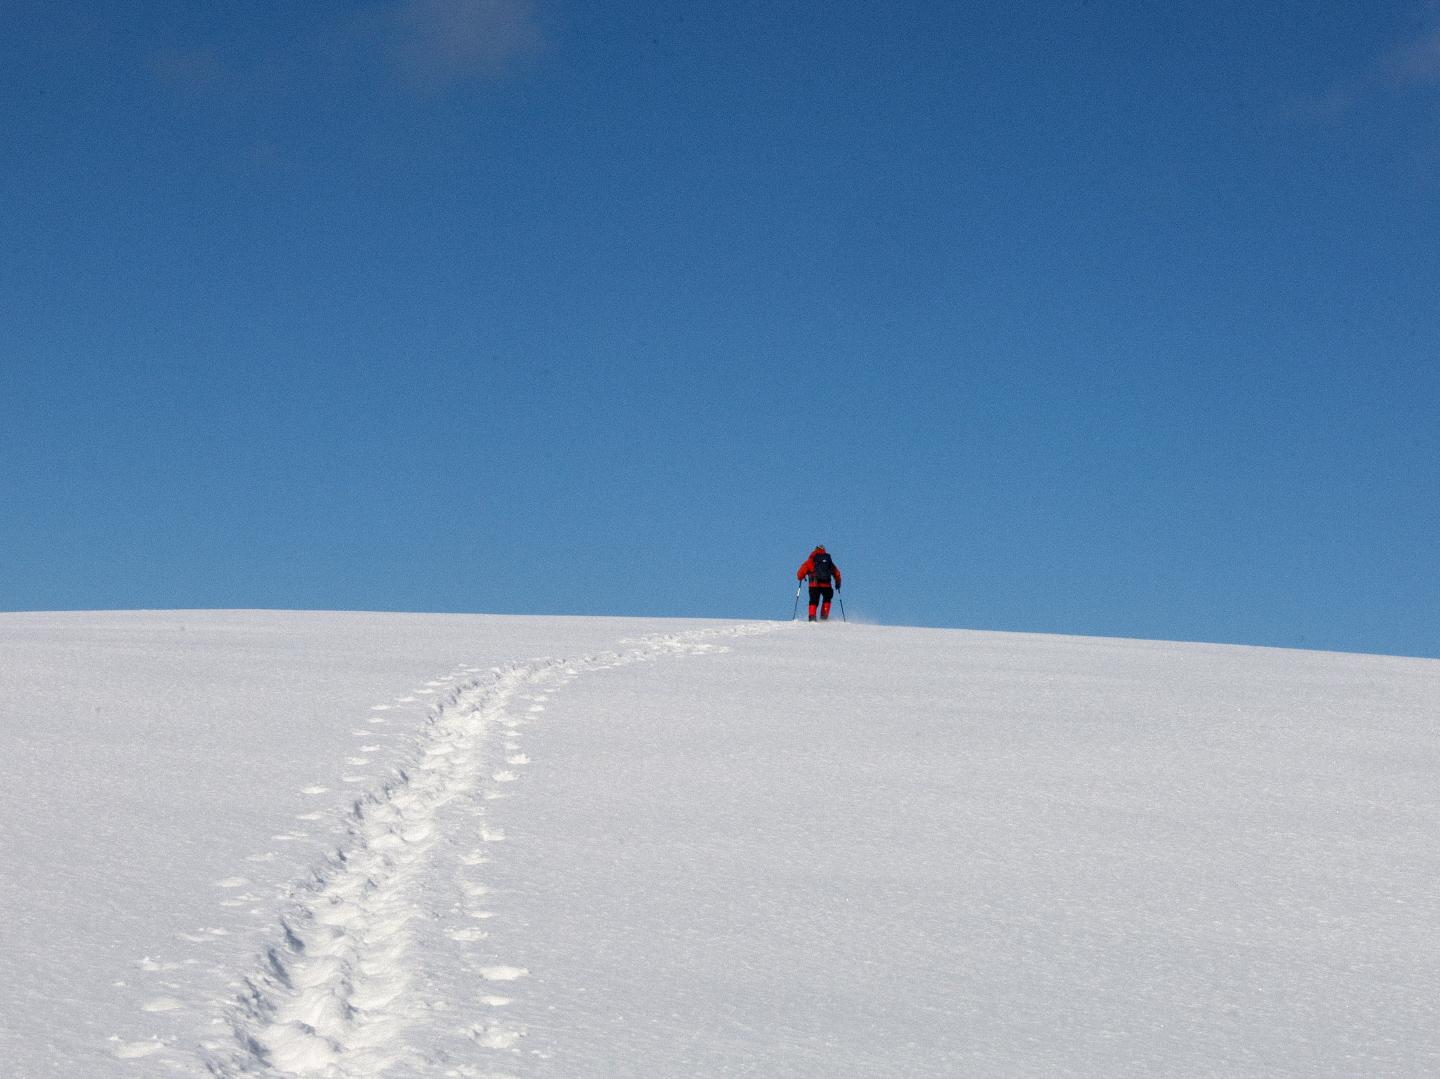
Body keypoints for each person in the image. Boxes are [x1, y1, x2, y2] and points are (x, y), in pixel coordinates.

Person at [796, 545, 841, 621]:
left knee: (813, 601)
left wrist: (801, 577)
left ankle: (812, 618)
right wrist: (838, 583)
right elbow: (837, 573)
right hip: (827, 585)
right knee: (827, 599)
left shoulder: (810, 560)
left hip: (814, 585)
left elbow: (800, 573)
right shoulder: (828, 561)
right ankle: (824, 617)